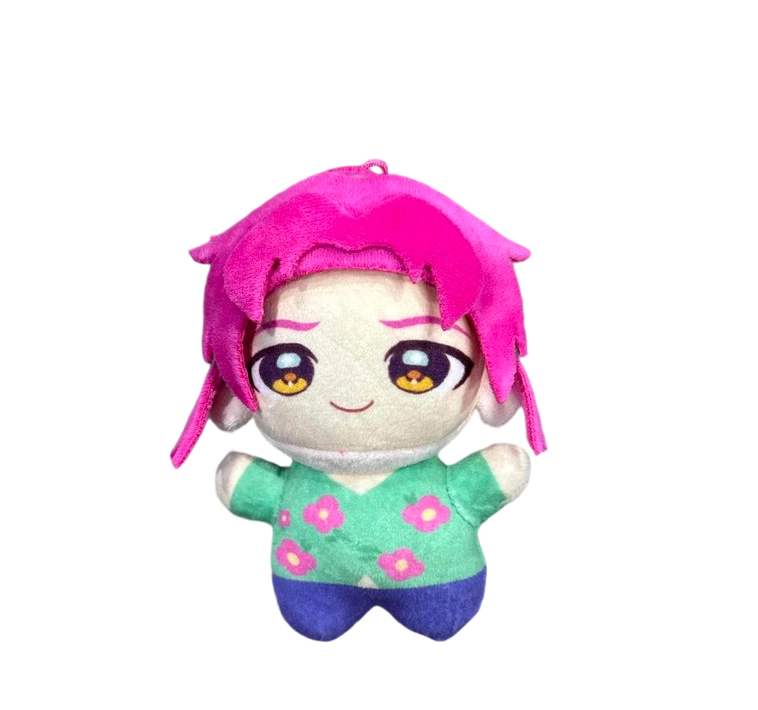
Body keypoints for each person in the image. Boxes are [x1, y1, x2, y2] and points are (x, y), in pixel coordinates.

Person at [171, 160, 545, 640]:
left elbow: (488, 483)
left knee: (441, 614)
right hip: (310, 584)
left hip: (437, 583)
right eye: (287, 368)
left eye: (419, 366)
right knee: (314, 619)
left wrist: (493, 476)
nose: (352, 397)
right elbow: (253, 493)